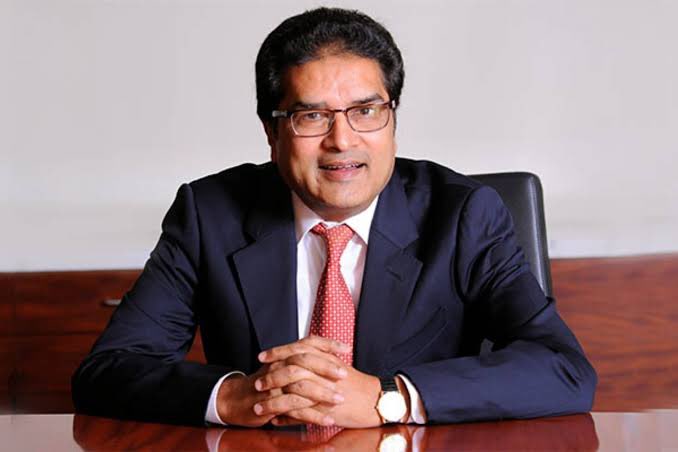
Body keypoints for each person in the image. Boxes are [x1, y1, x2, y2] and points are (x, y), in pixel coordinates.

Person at [72, 7, 596, 428]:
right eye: (312, 116)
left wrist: (389, 398)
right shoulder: (209, 214)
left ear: (392, 118)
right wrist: (234, 397)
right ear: (271, 131)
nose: (342, 141)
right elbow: (108, 371)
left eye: (366, 111)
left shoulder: (463, 214)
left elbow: (564, 369)